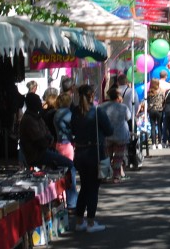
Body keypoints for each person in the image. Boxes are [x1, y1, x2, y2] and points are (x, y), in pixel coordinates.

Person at [19, 93, 78, 208]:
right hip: (38, 154)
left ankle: (64, 199)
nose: (40, 104)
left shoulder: (37, 117)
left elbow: (48, 134)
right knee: (70, 165)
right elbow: (41, 141)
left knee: (64, 167)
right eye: (37, 102)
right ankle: (72, 202)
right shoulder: (28, 120)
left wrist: (48, 139)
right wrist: (48, 140)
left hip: (45, 150)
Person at [71, 84, 113, 233]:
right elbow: (109, 130)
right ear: (91, 96)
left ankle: (79, 220)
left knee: (84, 186)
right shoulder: (97, 111)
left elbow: (72, 130)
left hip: (80, 153)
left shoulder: (75, 112)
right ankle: (90, 222)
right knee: (93, 188)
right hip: (95, 152)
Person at [99, 89, 131, 183]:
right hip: (120, 134)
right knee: (118, 157)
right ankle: (116, 176)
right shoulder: (123, 107)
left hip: (106, 135)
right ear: (118, 97)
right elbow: (128, 117)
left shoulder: (101, 107)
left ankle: (104, 175)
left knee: (106, 156)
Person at [146, 78, 165, 149]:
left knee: (152, 127)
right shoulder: (161, 91)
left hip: (151, 110)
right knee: (159, 126)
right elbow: (163, 100)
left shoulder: (149, 92)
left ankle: (153, 144)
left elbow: (147, 101)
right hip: (159, 110)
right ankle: (159, 143)